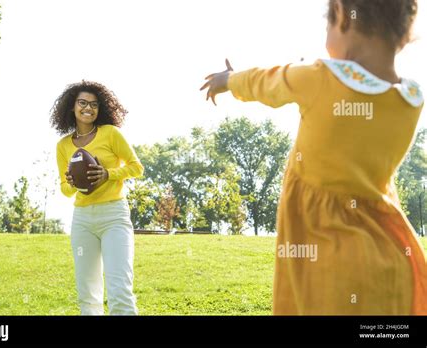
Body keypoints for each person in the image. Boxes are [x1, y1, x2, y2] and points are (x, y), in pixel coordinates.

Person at [200, 0, 426, 314]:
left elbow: (268, 82)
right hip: (388, 252)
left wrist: (229, 80)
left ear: (342, 16)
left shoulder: (320, 77)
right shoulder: (412, 100)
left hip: (327, 259)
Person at [50, 80, 144, 315]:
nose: (88, 108)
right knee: (87, 295)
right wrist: (71, 184)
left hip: (114, 216)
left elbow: (136, 167)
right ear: (72, 107)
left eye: (94, 104)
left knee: (119, 290)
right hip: (82, 220)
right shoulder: (62, 146)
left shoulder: (110, 134)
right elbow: (64, 188)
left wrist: (108, 174)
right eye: (82, 103)